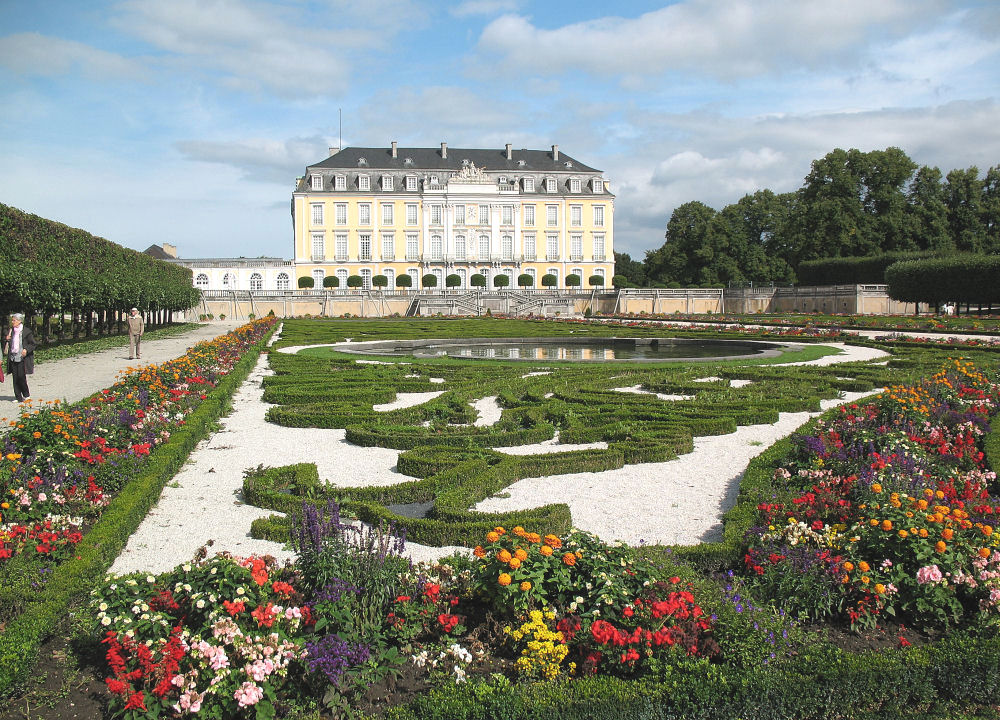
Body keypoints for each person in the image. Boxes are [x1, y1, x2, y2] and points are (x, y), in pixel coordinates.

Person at [4, 313, 36, 402]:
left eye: (14, 320)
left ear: (20, 321)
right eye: (12, 320)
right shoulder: (11, 331)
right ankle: (18, 397)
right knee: (15, 378)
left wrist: (26, 349)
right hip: (13, 357)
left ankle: (26, 395)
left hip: (22, 357)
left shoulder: (26, 331)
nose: (12, 322)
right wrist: (7, 339)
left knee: (21, 376)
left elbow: (33, 344)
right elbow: (7, 342)